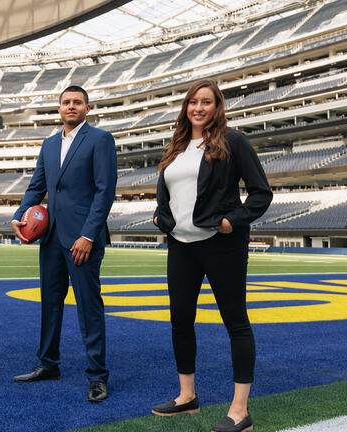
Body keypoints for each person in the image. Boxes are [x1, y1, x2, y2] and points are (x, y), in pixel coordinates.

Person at [150, 79, 272, 432]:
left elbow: (261, 194)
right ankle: (187, 395)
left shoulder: (233, 142)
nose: (199, 108)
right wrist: (161, 216)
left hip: (221, 245)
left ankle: (239, 410)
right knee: (180, 320)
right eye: (193, 102)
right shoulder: (176, 146)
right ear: (185, 107)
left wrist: (231, 222)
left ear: (218, 107)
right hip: (180, 245)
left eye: (207, 102)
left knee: (235, 321)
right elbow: (167, 196)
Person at [11, 85, 117, 402]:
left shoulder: (100, 139)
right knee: (50, 303)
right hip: (52, 238)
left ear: (87, 108)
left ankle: (97, 376)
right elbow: (36, 188)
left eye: (77, 102)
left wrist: (87, 235)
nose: (71, 106)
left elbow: (104, 191)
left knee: (88, 307)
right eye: (66, 102)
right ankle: (48, 364)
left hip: (83, 238)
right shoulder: (49, 144)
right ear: (59, 109)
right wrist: (20, 215)